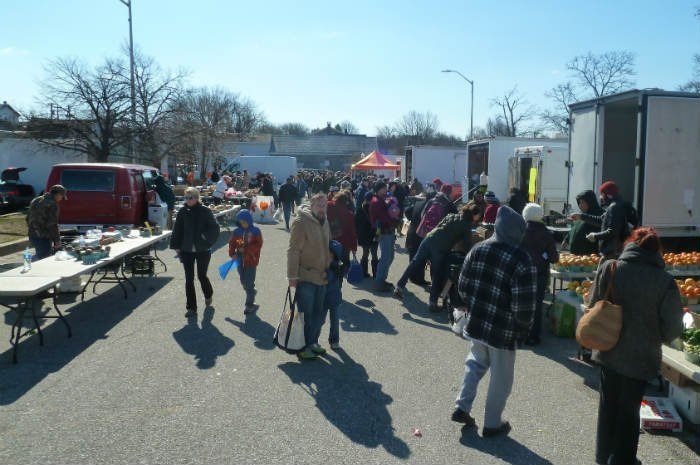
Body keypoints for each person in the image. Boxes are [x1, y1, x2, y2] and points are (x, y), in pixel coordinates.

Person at [590, 228, 682, 465]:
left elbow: (593, 303)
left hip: (608, 347)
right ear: (657, 251)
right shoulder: (665, 281)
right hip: (641, 356)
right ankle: (623, 460)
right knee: (629, 412)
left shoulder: (610, 267)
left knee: (607, 404)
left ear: (631, 243)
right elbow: (673, 328)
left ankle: (603, 455)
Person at [452, 206, 537, 437]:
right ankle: (492, 424)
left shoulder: (478, 249)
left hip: (477, 320)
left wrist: (473, 304)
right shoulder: (521, 259)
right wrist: (523, 329)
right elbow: (524, 305)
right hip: (503, 329)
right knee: (502, 378)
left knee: (475, 363)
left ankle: (462, 405)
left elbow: (462, 285)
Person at [394, 202, 482, 312]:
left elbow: (439, 226)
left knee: (414, 263)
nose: (479, 218)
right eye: (478, 215)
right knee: (437, 273)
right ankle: (432, 303)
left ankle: (399, 286)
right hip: (440, 248)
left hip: (429, 239)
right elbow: (467, 245)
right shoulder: (467, 225)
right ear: (474, 215)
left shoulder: (452, 215)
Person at [287, 193, 333, 360]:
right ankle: (302, 347)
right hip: (305, 276)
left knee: (319, 314)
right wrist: (292, 276)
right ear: (311, 205)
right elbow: (293, 250)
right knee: (306, 314)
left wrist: (332, 261)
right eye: (319, 205)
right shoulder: (301, 222)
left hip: (322, 276)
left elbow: (327, 245)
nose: (322, 208)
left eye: (325, 205)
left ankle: (313, 342)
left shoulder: (325, 220)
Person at [170, 188, 220, 318]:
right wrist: (176, 246)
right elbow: (177, 230)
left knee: (202, 276)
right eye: (186, 197)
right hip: (187, 251)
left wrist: (205, 237)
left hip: (202, 250)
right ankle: (192, 308)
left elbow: (215, 228)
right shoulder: (182, 212)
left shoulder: (205, 211)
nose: (188, 200)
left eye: (191, 197)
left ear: (197, 198)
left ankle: (208, 294)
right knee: (189, 278)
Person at [520, 203, 559, 345]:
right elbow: (554, 257)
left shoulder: (520, 230)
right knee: (537, 304)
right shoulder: (546, 233)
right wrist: (544, 257)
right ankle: (534, 335)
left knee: (521, 301)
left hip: (522, 271)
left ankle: (521, 332)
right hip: (540, 273)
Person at [570, 181, 628, 260]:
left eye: (602, 194)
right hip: (609, 252)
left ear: (608, 195)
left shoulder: (614, 207)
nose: (600, 197)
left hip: (611, 253)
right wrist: (581, 216)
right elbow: (601, 220)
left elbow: (612, 231)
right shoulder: (613, 206)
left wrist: (595, 236)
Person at [228, 209, 263, 314]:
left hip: (251, 260)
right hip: (239, 259)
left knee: (249, 282)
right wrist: (232, 253)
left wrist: (247, 249)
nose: (243, 223)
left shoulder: (255, 231)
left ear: (249, 220)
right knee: (243, 281)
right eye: (240, 221)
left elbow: (258, 245)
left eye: (244, 221)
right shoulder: (237, 231)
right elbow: (232, 243)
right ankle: (251, 291)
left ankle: (249, 305)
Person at [369, 181, 397, 292]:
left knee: (390, 256)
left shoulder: (381, 200)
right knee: (386, 257)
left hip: (387, 231)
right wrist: (395, 219)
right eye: (384, 188)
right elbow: (384, 218)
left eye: (386, 188)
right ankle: (379, 282)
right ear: (378, 189)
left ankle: (382, 279)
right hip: (383, 231)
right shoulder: (376, 201)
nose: (386, 190)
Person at [316, 240, 344, 350]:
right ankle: (332, 340)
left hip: (327, 298)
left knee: (323, 320)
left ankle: (319, 339)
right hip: (332, 298)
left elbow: (326, 278)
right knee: (329, 320)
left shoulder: (330, 268)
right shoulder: (336, 266)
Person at [26, 184, 67, 260]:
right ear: (58, 195)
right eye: (62, 196)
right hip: (43, 236)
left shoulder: (36, 200)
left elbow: (27, 218)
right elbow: (52, 225)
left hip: (32, 234)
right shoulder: (52, 204)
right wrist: (57, 241)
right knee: (45, 259)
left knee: (39, 256)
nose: (61, 199)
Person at [404, 190, 435, 286]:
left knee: (412, 256)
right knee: (421, 258)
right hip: (419, 234)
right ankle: (419, 279)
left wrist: (412, 219)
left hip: (411, 231)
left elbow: (407, 211)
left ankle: (412, 277)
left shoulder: (419, 203)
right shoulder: (430, 207)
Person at [565, 190, 605, 255]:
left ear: (590, 202)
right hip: (575, 256)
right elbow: (575, 228)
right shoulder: (581, 215)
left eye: (582, 202)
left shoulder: (599, 215)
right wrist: (566, 239)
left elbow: (602, 231)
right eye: (579, 203)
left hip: (589, 257)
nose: (580, 205)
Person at [327, 189, 357, 272]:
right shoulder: (349, 214)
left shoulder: (328, 206)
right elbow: (352, 232)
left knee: (330, 264)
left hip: (328, 240)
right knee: (344, 264)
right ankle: (339, 279)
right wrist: (354, 247)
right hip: (344, 243)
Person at [355, 192, 378, 278]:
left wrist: (357, 235)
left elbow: (355, 223)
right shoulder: (374, 209)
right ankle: (376, 273)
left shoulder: (359, 209)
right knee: (374, 255)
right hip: (373, 235)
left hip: (363, 236)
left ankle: (364, 273)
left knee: (365, 254)